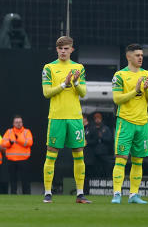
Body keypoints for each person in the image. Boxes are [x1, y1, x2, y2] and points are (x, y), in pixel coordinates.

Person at [40, 35, 89, 204]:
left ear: (72, 50)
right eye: (60, 48)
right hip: (57, 117)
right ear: (56, 50)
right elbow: (46, 93)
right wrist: (64, 84)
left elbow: (83, 92)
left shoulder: (78, 68)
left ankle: (80, 194)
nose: (63, 51)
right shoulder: (49, 68)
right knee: (51, 155)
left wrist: (74, 82)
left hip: (75, 117)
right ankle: (47, 193)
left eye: (66, 48)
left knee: (79, 155)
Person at [110, 43, 148, 204]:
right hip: (126, 122)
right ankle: (116, 193)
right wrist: (135, 91)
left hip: (142, 123)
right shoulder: (120, 75)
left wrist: (146, 88)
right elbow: (117, 99)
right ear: (128, 56)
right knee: (121, 159)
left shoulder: (147, 74)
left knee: (138, 160)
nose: (141, 57)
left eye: (142, 55)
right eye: (137, 55)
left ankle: (133, 195)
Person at [0, 115, 33, 195]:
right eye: (16, 122)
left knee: (25, 180)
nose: (18, 124)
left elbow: (29, 143)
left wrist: (18, 139)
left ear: (22, 123)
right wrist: (10, 143)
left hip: (24, 160)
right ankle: (13, 195)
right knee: (12, 180)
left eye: (20, 122)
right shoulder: (9, 132)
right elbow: (2, 144)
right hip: (11, 160)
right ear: (13, 123)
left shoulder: (26, 132)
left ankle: (27, 195)